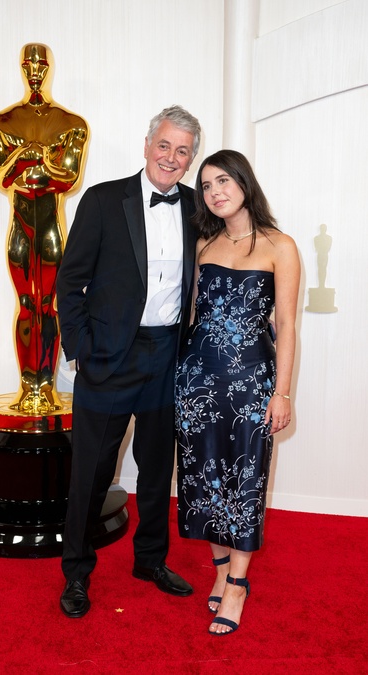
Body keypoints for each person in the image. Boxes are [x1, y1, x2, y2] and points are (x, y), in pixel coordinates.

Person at [56, 105, 202, 618]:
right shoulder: (102, 200)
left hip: (168, 357)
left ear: (191, 159)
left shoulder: (196, 207)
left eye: (182, 151)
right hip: (109, 358)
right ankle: (76, 572)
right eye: (164, 145)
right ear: (146, 145)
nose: (171, 157)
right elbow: (69, 282)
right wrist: (80, 350)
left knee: (158, 469)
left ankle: (150, 560)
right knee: (91, 472)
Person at [175, 149, 300, 635]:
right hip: (197, 381)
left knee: (245, 479)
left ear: (244, 183)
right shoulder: (203, 244)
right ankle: (221, 568)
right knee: (204, 476)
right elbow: (191, 316)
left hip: (252, 383)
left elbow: (286, 325)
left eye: (223, 181)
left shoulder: (279, 245)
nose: (215, 192)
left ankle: (237, 586)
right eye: (206, 186)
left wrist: (281, 393)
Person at [0, 43, 89, 414]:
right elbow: (3, 178)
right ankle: (28, 387)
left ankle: (46, 388)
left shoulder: (71, 123)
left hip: (50, 228)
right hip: (20, 227)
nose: (34, 70)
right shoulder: (0, 123)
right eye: (28, 64)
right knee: (26, 305)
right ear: (20, 67)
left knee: (49, 304)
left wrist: (37, 161)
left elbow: (68, 179)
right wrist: (26, 157)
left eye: (40, 64)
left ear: (50, 68)